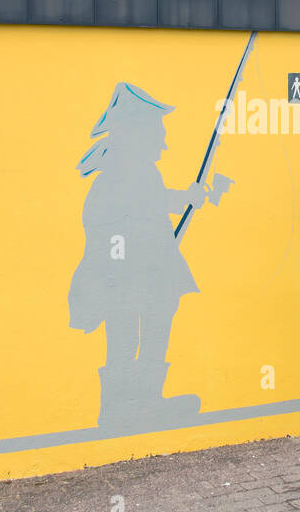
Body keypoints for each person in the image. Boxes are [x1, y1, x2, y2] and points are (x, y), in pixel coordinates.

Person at [68, 82, 218, 431]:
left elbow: (152, 201)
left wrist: (187, 198)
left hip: (149, 277)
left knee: (153, 331)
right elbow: (106, 227)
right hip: (127, 280)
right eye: (156, 135)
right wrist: (129, 263)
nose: (163, 144)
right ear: (136, 134)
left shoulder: (139, 173)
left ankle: (145, 404)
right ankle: (119, 410)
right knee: (127, 337)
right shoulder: (115, 177)